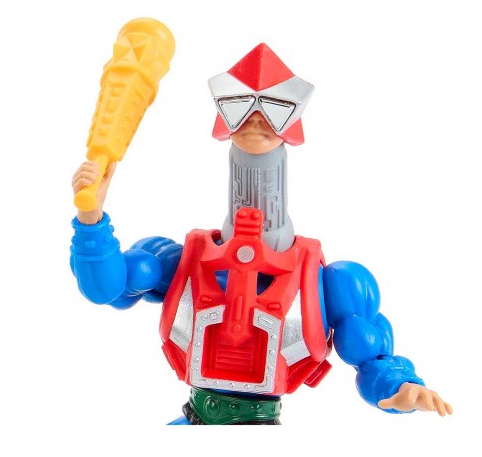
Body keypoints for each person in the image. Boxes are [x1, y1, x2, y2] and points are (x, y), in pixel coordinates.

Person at [71, 43, 452, 425]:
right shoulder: (179, 261)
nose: (256, 119)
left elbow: (372, 359)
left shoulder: (328, 281)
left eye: (273, 108)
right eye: (240, 106)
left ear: (292, 123)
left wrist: (400, 387)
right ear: (224, 120)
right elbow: (106, 288)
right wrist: (91, 218)